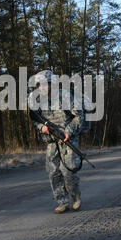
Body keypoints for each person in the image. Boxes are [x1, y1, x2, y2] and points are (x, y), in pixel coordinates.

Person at [29, 70, 84, 214]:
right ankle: (62, 202)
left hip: (68, 138)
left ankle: (75, 197)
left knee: (68, 171)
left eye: (45, 84)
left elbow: (79, 116)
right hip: (52, 140)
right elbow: (35, 120)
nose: (43, 87)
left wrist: (69, 131)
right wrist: (42, 128)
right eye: (40, 85)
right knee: (53, 172)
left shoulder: (65, 96)